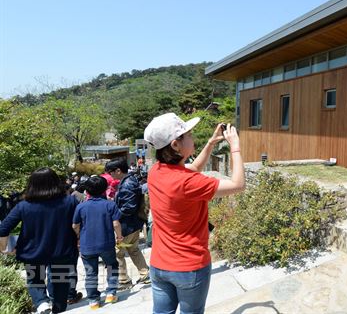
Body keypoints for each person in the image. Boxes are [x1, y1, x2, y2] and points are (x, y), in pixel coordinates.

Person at [144, 113, 245, 314]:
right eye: (188, 134)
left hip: (159, 264)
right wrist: (235, 146)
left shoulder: (156, 171)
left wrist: (210, 144)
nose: (193, 137)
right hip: (189, 266)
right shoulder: (188, 183)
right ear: (175, 145)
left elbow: (194, 168)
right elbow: (238, 184)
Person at [0, 168, 79, 314]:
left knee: (35, 280)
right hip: (62, 250)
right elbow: (78, 225)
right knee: (60, 282)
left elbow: (3, 228)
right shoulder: (69, 202)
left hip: (32, 251)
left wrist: (4, 249)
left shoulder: (23, 206)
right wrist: (78, 240)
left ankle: (42, 303)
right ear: (56, 182)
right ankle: (58, 307)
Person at [72, 176, 123, 309]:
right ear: (105, 189)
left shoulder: (81, 207)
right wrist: (119, 237)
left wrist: (78, 236)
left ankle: (93, 300)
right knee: (112, 266)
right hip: (106, 243)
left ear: (87, 191)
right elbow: (116, 223)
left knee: (91, 272)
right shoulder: (110, 205)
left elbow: (74, 225)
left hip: (86, 245)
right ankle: (111, 293)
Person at [107, 158, 150, 289]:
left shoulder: (126, 184)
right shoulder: (130, 180)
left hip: (126, 226)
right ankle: (145, 274)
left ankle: (124, 280)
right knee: (133, 249)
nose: (110, 175)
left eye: (111, 172)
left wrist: (114, 214)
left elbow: (128, 207)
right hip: (134, 224)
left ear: (118, 171)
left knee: (117, 253)